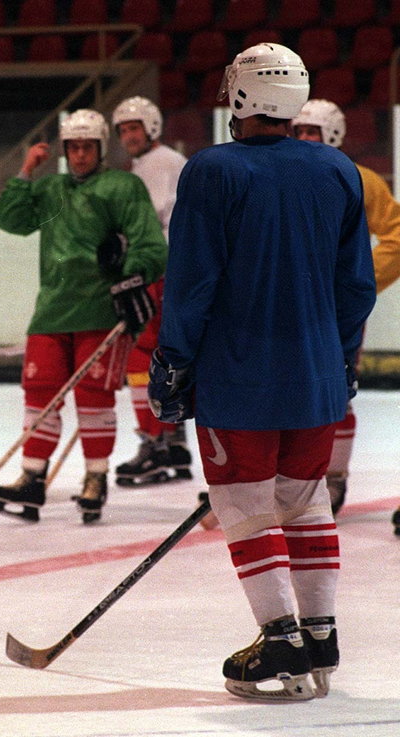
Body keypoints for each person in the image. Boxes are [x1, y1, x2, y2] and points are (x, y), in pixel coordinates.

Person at [149, 44, 376, 700]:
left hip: (237, 373)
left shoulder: (213, 170)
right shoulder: (338, 169)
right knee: (304, 499)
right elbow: (355, 286)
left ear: (242, 96)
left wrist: (172, 361)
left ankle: (280, 637)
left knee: (245, 503)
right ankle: (319, 632)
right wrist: (339, 358)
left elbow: (193, 282)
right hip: (316, 375)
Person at [0, 108, 167, 525]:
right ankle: (32, 478)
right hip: (52, 310)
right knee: (39, 394)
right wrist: (25, 172)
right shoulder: (51, 190)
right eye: (73, 147)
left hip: (102, 309)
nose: (80, 155)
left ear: (101, 148)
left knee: (94, 398)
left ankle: (95, 479)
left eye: (87, 147)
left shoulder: (123, 186)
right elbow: (12, 220)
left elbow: (151, 245)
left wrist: (133, 275)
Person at [291, 99, 400, 526]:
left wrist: (359, 280)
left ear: (333, 136)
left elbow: (396, 234)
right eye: (297, 131)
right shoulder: (283, 177)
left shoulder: (361, 179)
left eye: (312, 132)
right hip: (285, 301)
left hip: (337, 309)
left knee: (334, 387)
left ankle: (333, 477)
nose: (302, 140)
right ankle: (288, 475)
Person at [110, 96, 192, 486]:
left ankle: (153, 446)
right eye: (123, 130)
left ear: (152, 128)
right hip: (177, 271)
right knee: (167, 354)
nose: (128, 136)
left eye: (134, 128)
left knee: (140, 355)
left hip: (161, 271)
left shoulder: (158, 164)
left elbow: (152, 223)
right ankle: (174, 442)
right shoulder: (161, 162)